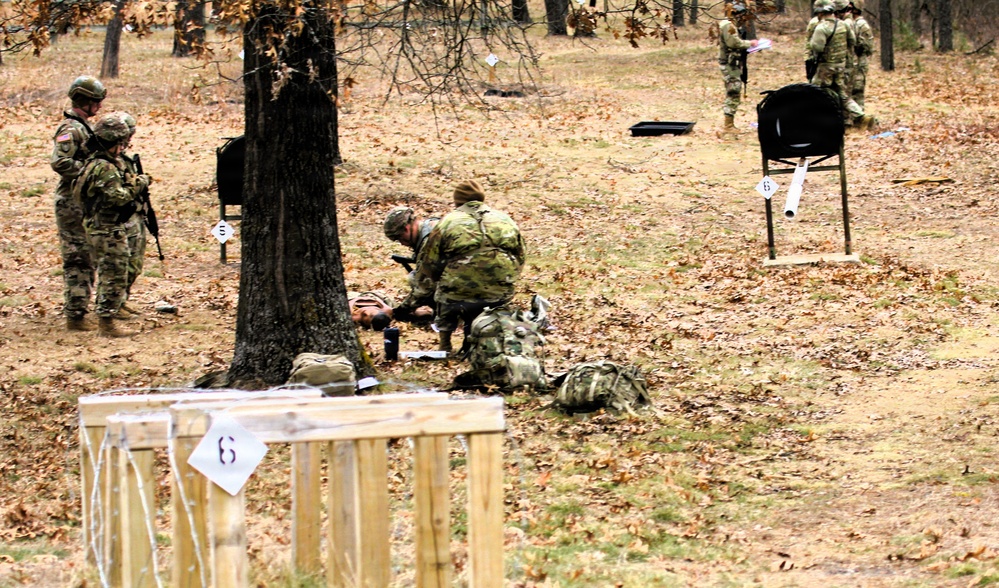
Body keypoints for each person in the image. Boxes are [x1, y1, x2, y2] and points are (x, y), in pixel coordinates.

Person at [393, 180, 526, 354]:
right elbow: (520, 257)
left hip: (457, 294)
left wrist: (405, 308)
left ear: (457, 202)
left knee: (443, 293)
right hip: (501, 291)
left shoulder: (447, 222)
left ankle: (445, 344)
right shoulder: (505, 219)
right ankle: (501, 336)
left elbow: (429, 268)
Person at [76, 115, 151, 337]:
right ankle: (107, 323)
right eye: (120, 143)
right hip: (106, 228)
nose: (122, 148)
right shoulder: (103, 167)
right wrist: (139, 183)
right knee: (113, 273)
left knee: (116, 270)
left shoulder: (98, 163)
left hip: (106, 226)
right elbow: (118, 197)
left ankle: (109, 315)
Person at [50, 75, 106, 331]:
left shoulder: (83, 127)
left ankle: (80, 307)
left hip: (82, 200)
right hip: (71, 202)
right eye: (96, 101)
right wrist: (90, 171)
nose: (100, 106)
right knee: (78, 257)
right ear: (84, 101)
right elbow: (60, 162)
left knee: (88, 255)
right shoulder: (70, 129)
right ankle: (75, 314)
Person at [808, 0, 876, 130]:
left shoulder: (822, 28)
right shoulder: (843, 25)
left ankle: (814, 121)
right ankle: (861, 115)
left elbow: (817, 47)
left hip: (826, 67)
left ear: (820, 12)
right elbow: (852, 40)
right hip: (841, 66)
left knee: (814, 91)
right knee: (842, 94)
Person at [112, 111, 146, 318]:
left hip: (133, 212)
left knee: (134, 262)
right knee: (121, 263)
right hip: (120, 217)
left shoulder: (123, 158)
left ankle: (122, 300)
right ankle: (114, 304)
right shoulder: (108, 161)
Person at [718, 2, 759, 133]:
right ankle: (728, 126)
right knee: (733, 91)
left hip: (733, 63)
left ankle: (729, 124)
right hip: (729, 65)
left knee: (734, 91)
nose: (743, 18)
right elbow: (733, 43)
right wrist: (749, 43)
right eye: (741, 15)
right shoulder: (728, 25)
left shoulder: (730, 25)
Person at [850, 0, 875, 109]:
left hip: (859, 63)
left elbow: (867, 47)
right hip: (852, 62)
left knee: (857, 91)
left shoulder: (861, 25)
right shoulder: (851, 23)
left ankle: (859, 114)